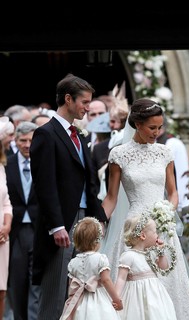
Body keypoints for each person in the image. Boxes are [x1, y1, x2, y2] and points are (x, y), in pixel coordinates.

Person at [100, 98, 189, 320]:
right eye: (152, 127)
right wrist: (98, 224)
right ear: (137, 124)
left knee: (169, 283)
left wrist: (167, 211)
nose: (157, 132)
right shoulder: (119, 155)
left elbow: (173, 193)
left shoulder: (164, 153)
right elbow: (111, 197)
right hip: (133, 230)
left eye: (160, 127)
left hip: (161, 227)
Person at [30, 73, 108, 320]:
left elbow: (89, 180)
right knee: (56, 292)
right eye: (84, 102)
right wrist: (56, 226)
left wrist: (99, 217)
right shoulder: (46, 134)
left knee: (82, 290)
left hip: (85, 220)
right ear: (68, 99)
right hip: (62, 222)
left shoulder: (78, 135)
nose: (88, 108)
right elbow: (45, 184)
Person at [6, 121, 40, 320]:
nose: (27, 145)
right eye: (23, 140)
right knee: (17, 282)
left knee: (36, 280)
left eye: (31, 140)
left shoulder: (43, 162)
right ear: (15, 141)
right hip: (16, 231)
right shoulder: (6, 164)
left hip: (39, 229)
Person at [114, 213, 176, 320]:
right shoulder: (129, 256)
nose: (158, 235)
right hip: (136, 298)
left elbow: (164, 267)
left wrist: (161, 253)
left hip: (155, 297)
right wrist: (116, 297)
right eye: (155, 232)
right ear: (143, 235)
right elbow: (120, 278)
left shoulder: (151, 253)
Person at [59, 217, 122, 320]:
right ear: (97, 240)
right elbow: (106, 280)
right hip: (99, 300)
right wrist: (116, 299)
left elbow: (72, 287)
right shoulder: (101, 259)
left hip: (80, 301)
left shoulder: (73, 263)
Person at [0, 116, 14, 319]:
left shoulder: (1, 166)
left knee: (1, 290)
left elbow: (6, 201)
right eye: (10, 135)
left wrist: (7, 226)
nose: (13, 139)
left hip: (2, 238)